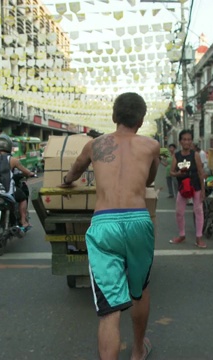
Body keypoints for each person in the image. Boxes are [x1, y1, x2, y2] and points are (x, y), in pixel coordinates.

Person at [61, 92, 158, 360]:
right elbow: (150, 179)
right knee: (140, 290)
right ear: (141, 120)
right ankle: (138, 351)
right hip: (139, 221)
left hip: (104, 223)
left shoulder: (95, 145)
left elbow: (76, 170)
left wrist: (68, 180)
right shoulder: (151, 146)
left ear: (114, 117)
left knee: (110, 309)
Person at [0, 134, 35, 230]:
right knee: (23, 198)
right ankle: (23, 221)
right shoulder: (12, 160)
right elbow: (25, 171)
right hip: (6, 190)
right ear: (8, 146)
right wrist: (31, 174)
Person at [169, 129, 207, 248]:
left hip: (195, 186)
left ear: (192, 141)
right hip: (183, 187)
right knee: (179, 212)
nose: (187, 142)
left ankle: (199, 238)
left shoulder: (195, 155)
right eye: (184, 139)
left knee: (198, 211)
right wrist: (178, 174)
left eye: (189, 139)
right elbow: (171, 172)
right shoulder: (177, 155)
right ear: (180, 141)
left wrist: (203, 189)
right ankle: (182, 235)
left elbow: (201, 173)